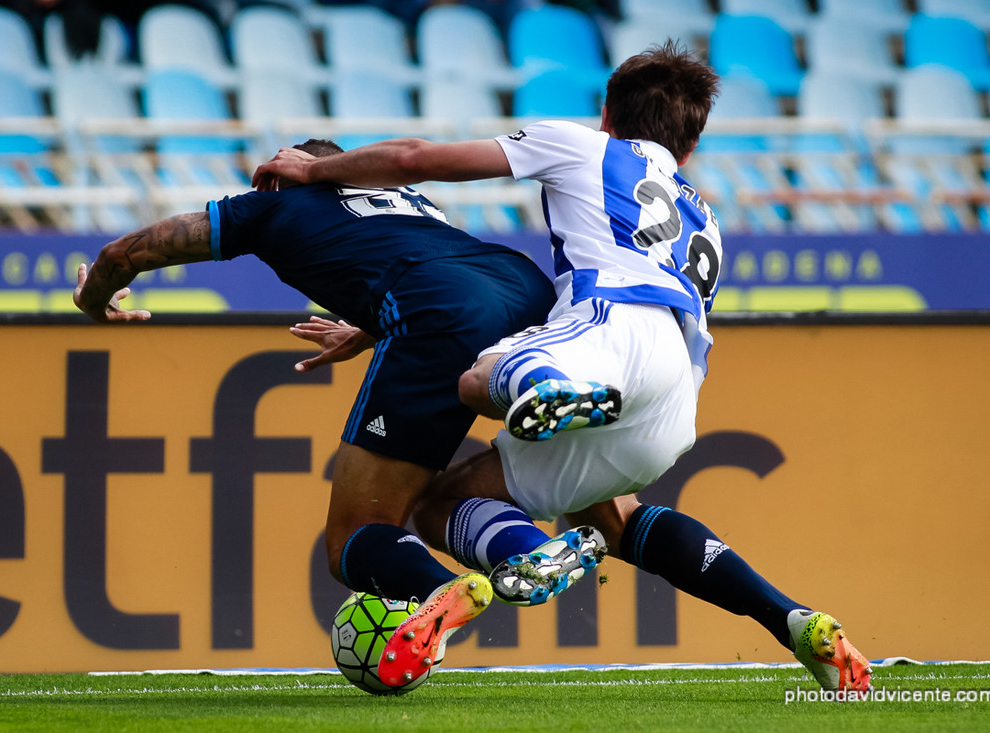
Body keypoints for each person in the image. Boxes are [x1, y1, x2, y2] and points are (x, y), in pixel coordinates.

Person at [252, 43, 873, 693]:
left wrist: (317, 171)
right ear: (688, 149)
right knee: (605, 518)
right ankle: (794, 619)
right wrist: (376, 322)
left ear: (606, 113)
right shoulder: (705, 218)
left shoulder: (582, 145)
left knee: (473, 381)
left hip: (608, 333)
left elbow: (414, 159)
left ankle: (547, 399)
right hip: (672, 402)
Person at [72, 138, 608, 686]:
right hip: (527, 292)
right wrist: (368, 326)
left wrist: (94, 301)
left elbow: (124, 253)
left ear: (288, 176)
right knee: (458, 490)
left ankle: (437, 594)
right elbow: (431, 267)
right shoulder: (409, 202)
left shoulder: (273, 205)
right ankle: (531, 540)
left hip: (440, 312)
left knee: (354, 536)